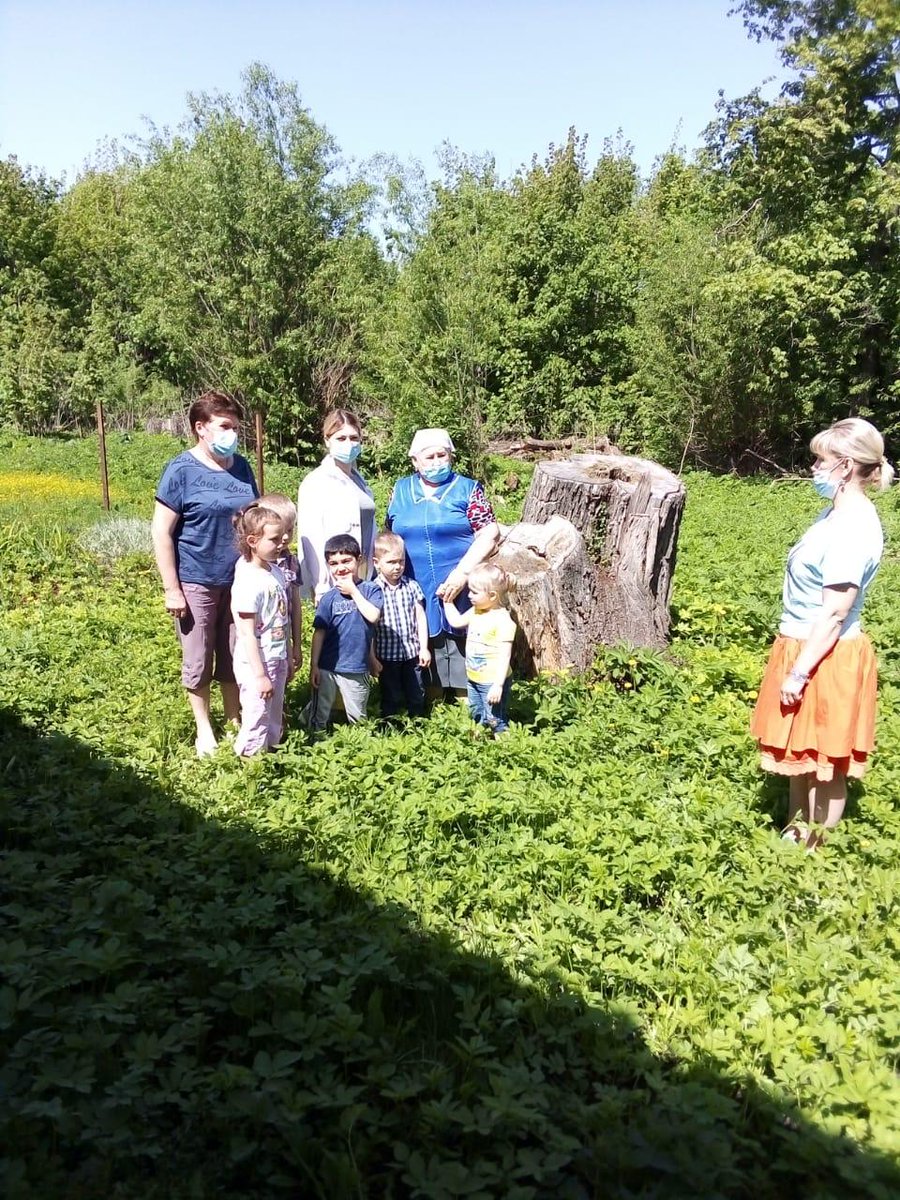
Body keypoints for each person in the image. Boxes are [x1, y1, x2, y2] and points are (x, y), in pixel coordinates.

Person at [750, 418, 894, 850]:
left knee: (827, 760)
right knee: (800, 753)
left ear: (845, 466)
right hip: (802, 643)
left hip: (825, 653)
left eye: (821, 460)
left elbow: (835, 613)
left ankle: (817, 852)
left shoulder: (855, 527)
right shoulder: (837, 512)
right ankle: (794, 835)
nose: (813, 467)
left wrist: (798, 672)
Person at [152, 390, 258, 757]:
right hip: (196, 578)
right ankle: (204, 728)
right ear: (201, 428)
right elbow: (161, 532)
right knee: (199, 656)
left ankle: (233, 719)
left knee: (235, 652)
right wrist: (172, 588)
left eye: (236, 428)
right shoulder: (181, 470)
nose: (233, 434)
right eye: (225, 426)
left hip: (241, 580)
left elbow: (252, 521)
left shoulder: (241, 467)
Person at [386, 429, 499, 695]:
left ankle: (468, 702)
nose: (437, 461)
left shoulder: (468, 489)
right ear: (415, 461)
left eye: (442, 455)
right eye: (430, 456)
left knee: (462, 642)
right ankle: (429, 702)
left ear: (450, 456)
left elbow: (489, 533)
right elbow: (390, 531)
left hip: (462, 581)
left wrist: (462, 574)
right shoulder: (401, 490)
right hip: (414, 581)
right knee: (424, 639)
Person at [303, 534, 383, 730]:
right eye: (334, 563)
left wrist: (353, 592)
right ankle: (315, 739)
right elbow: (319, 634)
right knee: (320, 709)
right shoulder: (329, 598)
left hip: (357, 666)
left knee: (358, 714)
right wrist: (314, 665)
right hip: (327, 666)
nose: (341, 568)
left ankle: (359, 748)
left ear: (360, 559)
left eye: (346, 561)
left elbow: (373, 618)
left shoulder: (371, 589)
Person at [296, 409, 376, 603]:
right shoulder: (316, 482)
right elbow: (311, 538)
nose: (348, 444)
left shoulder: (360, 482)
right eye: (341, 438)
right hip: (335, 578)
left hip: (363, 576)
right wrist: (321, 585)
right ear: (327, 440)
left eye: (354, 438)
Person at [230, 504, 291, 757]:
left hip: (276, 657)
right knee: (257, 714)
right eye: (274, 539)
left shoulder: (274, 570)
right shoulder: (248, 579)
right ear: (253, 541)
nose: (282, 543)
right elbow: (246, 634)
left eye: (283, 536)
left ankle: (271, 754)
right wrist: (260, 675)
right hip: (257, 664)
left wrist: (287, 652)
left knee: (274, 711)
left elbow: (280, 618)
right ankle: (250, 763)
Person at [443, 563, 516, 735]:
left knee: (495, 719)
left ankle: (508, 751)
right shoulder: (477, 611)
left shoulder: (503, 620)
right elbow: (457, 622)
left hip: (492, 682)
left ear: (492, 595)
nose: (469, 595)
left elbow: (505, 657)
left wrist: (498, 685)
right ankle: (480, 749)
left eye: (474, 592)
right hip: (474, 678)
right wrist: (447, 602)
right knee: (476, 715)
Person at [371, 531, 431, 718]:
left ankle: (418, 723)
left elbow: (420, 618)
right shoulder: (373, 590)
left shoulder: (411, 586)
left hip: (412, 654)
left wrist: (424, 648)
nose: (397, 567)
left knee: (416, 692)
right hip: (386, 657)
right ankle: (391, 726)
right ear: (376, 563)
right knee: (391, 695)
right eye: (391, 562)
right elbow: (370, 629)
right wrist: (372, 657)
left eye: (401, 561)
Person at [257, 493, 303, 682]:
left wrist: (297, 644)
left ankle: (280, 709)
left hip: (282, 634)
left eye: (290, 530)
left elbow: (296, 605)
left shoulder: (291, 562)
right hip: (260, 637)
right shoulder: (253, 564)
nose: (285, 537)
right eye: (280, 531)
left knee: (282, 678)